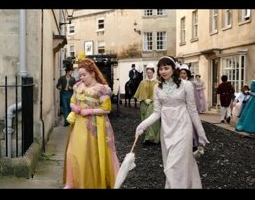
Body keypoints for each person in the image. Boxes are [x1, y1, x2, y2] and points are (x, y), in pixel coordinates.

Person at [134, 55, 209, 189]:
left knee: (175, 164)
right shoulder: (158, 87)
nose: (163, 71)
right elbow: (156, 112)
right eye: (161, 69)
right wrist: (142, 125)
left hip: (183, 127)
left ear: (174, 69)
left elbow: (192, 111)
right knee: (170, 163)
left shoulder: (186, 85)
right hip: (167, 129)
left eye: (166, 68)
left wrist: (201, 133)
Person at [63, 58, 120, 188]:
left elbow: (106, 109)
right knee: (73, 152)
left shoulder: (101, 89)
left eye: (84, 75)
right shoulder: (78, 86)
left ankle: (91, 182)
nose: (81, 78)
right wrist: (73, 107)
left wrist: (89, 112)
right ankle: (73, 182)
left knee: (90, 154)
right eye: (80, 75)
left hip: (96, 126)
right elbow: (72, 100)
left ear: (93, 73)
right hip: (78, 125)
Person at [134, 63, 160, 144]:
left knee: (153, 119)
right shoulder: (142, 82)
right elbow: (140, 92)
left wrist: (152, 99)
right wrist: (144, 99)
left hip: (153, 103)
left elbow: (159, 94)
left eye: (150, 73)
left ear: (153, 73)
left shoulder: (157, 83)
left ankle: (154, 138)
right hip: (144, 104)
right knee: (144, 119)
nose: (149, 74)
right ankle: (147, 137)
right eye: (147, 73)